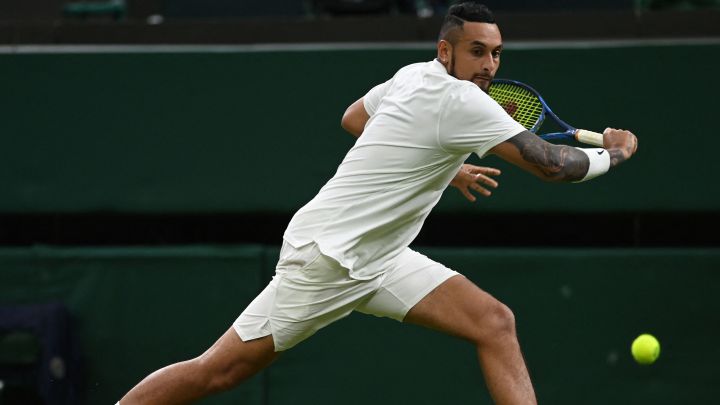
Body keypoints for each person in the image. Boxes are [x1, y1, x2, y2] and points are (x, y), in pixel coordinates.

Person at [117, 2, 638, 404]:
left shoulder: (414, 75)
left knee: (493, 322)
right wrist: (613, 155)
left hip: (382, 257)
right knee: (219, 371)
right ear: (445, 51)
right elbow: (552, 165)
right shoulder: (460, 101)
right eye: (476, 51)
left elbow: (353, 117)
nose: (488, 64)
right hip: (329, 259)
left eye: (496, 52)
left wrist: (444, 162)